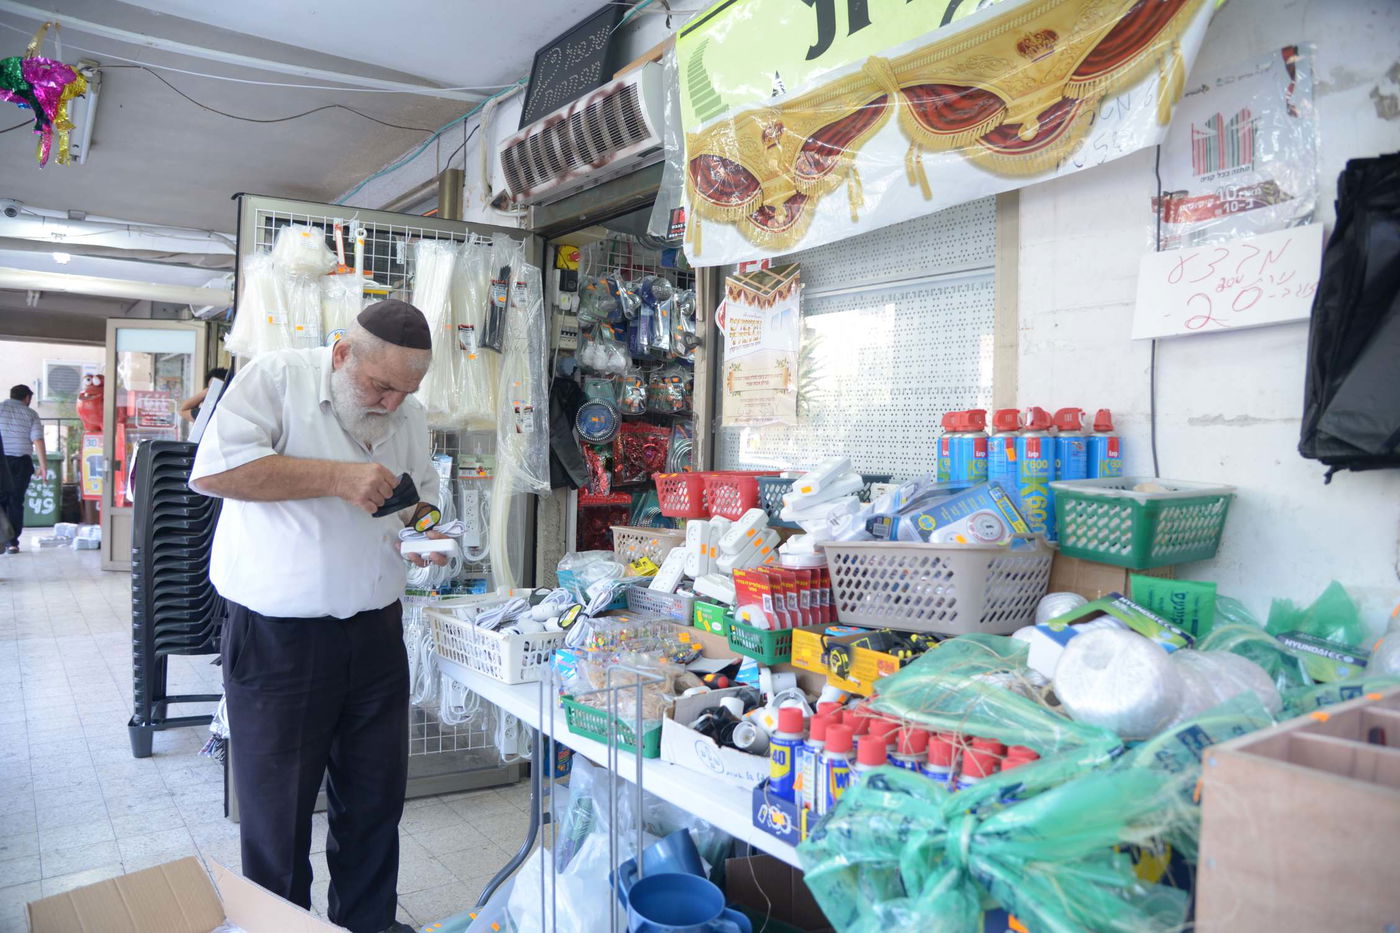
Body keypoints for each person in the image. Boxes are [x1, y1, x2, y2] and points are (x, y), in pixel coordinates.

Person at [190, 301, 449, 933]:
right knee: (277, 813)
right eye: (381, 386)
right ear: (341, 354)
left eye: (406, 391)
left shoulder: (409, 415)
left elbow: (421, 501)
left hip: (376, 634)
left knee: (373, 803)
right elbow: (216, 470)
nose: (393, 404)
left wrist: (429, 536)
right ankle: (281, 928)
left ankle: (367, 925)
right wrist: (337, 477)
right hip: (279, 637)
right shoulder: (276, 379)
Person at [0, 384, 48, 553]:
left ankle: (1, 540)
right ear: (27, 398)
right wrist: (43, 466)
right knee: (15, 500)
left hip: (1, 459)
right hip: (21, 462)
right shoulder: (31, 413)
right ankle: (12, 542)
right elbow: (38, 440)